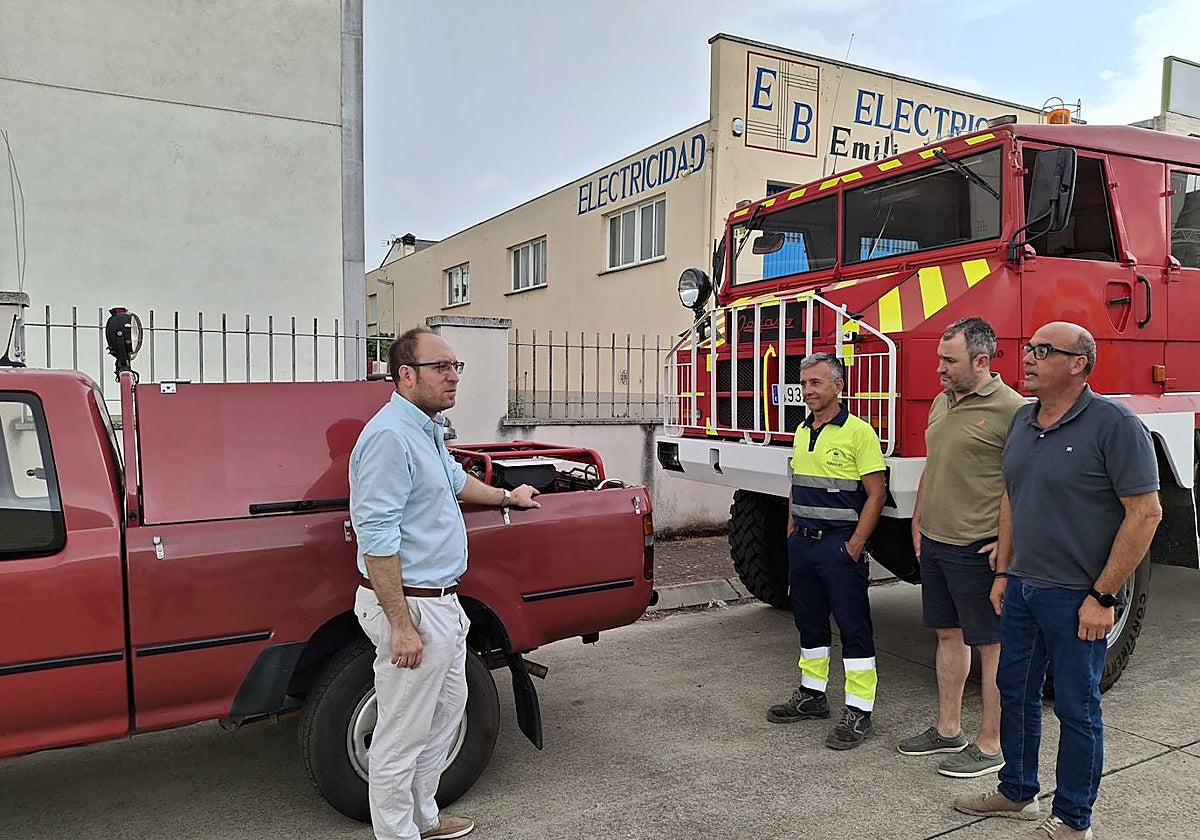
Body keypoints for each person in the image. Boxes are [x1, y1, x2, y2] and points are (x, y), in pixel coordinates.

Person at [954, 322, 1161, 840]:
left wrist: (1103, 594)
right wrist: (1004, 570)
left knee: (1076, 707)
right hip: (1023, 586)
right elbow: (1011, 496)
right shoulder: (1024, 421)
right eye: (1027, 348)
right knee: (1014, 691)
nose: (1027, 358)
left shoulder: (1114, 424)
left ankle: (1072, 821)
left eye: (1043, 351)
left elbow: (1145, 514)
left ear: (1078, 363)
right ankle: (1017, 791)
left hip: (1077, 597)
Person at [350, 327, 540, 840]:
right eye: (441, 367)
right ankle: (397, 833)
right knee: (401, 732)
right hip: (409, 607)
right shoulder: (389, 437)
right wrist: (400, 626)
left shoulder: (426, 429)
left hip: (441, 601)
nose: (454, 376)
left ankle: (424, 818)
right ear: (406, 375)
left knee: (446, 712)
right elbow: (378, 538)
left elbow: (455, 482)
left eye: (456, 366)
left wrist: (506, 498)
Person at [899, 317, 1025, 778]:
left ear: (981, 361)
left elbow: (1027, 483)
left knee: (991, 645)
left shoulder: (1012, 410)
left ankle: (991, 744)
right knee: (948, 634)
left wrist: (1008, 544)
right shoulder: (942, 400)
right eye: (939, 359)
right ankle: (948, 728)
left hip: (977, 549)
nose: (939, 369)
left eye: (948, 360)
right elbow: (937, 462)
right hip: (935, 541)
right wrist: (917, 517)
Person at [767, 352, 887, 749]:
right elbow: (796, 485)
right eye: (804, 384)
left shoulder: (858, 433)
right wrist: (790, 531)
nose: (808, 391)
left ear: (838, 386)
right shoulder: (802, 431)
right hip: (802, 544)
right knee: (809, 623)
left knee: (853, 628)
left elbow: (875, 493)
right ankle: (812, 695)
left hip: (839, 547)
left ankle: (859, 709)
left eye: (816, 383)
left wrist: (855, 545)